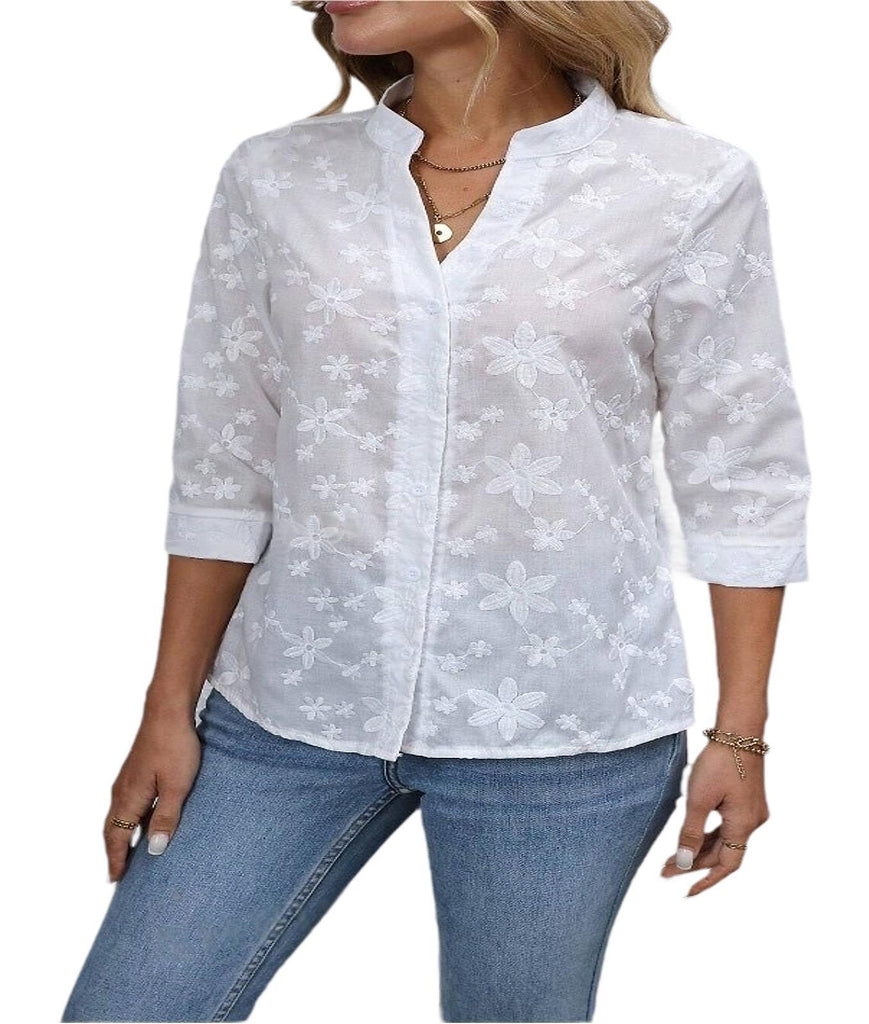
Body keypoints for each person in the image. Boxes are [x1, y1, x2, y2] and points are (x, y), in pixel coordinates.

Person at [61, 1, 812, 1020]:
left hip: (562, 726)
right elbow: (224, 465)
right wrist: (166, 709)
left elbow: (741, 469)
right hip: (289, 705)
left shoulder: (685, 185)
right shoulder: (277, 178)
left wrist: (742, 732)